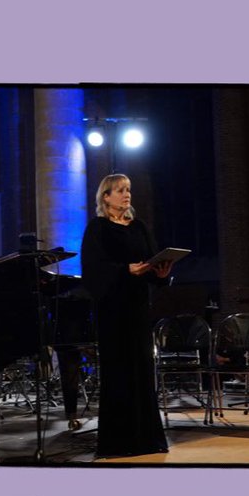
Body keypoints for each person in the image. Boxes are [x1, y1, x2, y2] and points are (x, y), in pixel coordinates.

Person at [80, 173, 174, 458]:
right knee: (118, 373)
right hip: (112, 311)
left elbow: (150, 261)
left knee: (142, 372)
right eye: (120, 190)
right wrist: (125, 270)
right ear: (105, 197)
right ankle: (117, 443)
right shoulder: (97, 228)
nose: (127, 194)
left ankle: (148, 439)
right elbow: (93, 271)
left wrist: (161, 274)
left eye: (128, 190)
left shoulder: (139, 227)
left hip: (136, 308)